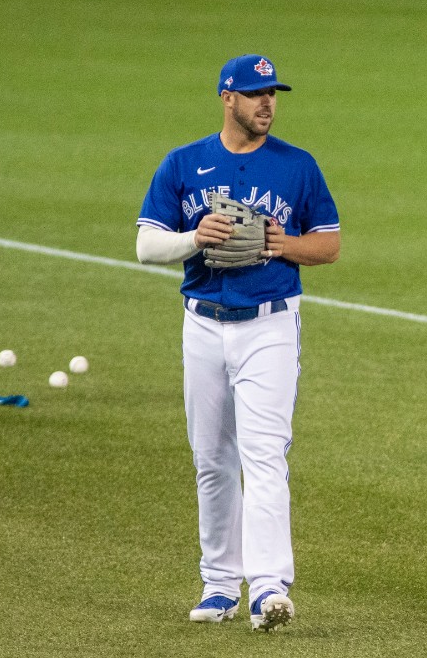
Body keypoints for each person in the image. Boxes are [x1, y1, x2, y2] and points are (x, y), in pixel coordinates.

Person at [136, 54, 340, 629]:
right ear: (228, 98)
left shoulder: (298, 166)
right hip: (201, 323)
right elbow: (147, 247)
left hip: (270, 325)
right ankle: (220, 584)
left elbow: (328, 244)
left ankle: (270, 587)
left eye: (273, 94)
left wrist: (283, 244)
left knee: (264, 454)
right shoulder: (184, 163)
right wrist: (194, 237)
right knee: (211, 458)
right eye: (255, 94)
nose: (267, 104)